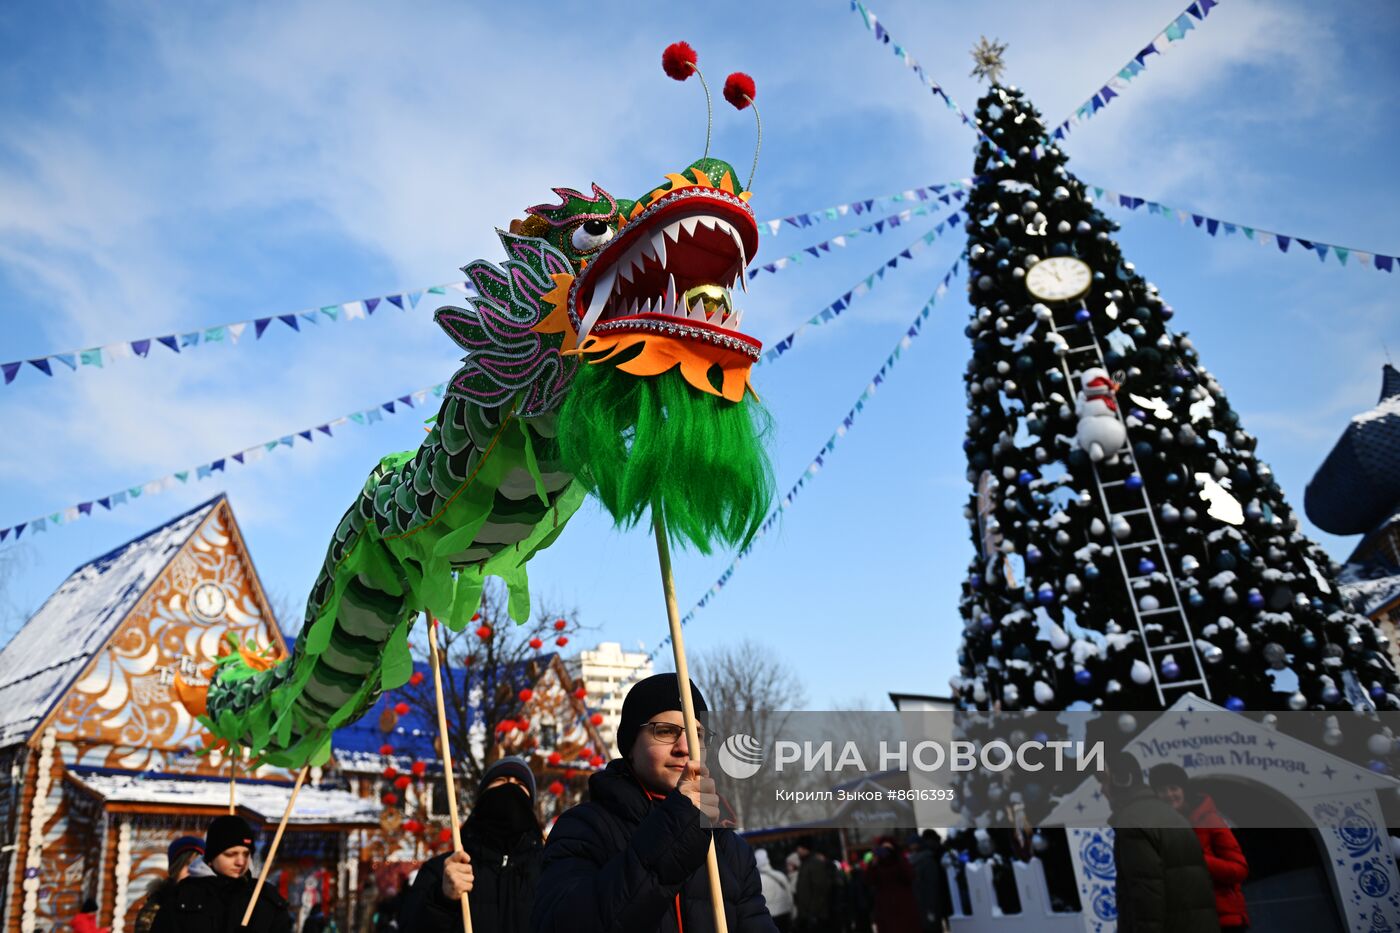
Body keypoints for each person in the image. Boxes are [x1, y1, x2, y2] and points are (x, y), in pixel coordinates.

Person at [531, 673, 778, 932]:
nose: (684, 747)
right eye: (666, 731)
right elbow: (563, 923)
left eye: (697, 735)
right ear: (630, 746)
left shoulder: (730, 848)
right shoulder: (584, 829)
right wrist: (676, 827)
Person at [400, 755, 545, 932]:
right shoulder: (443, 871)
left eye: (520, 784)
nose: (510, 786)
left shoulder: (551, 872)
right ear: (482, 798)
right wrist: (442, 899)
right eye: (500, 780)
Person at [1097, 751, 1218, 933]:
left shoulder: (1133, 821)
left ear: (1120, 781)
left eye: (1104, 781)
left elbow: (1146, 893)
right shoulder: (1169, 814)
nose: (1102, 790)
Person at [1150, 763, 1250, 932]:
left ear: (1184, 790)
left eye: (1173, 788)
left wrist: (1198, 860)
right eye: (1162, 790)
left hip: (1223, 921)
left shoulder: (1210, 821)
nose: (1168, 794)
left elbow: (1239, 869)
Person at [152, 813, 292, 932]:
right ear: (212, 857)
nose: (241, 862)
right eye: (231, 854)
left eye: (246, 854)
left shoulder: (265, 898)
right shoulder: (183, 898)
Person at [135, 836, 206, 932]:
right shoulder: (156, 906)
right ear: (175, 869)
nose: (192, 870)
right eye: (187, 864)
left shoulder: (213, 901)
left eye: (198, 865)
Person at [863, 838, 920, 933]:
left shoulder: (900, 860)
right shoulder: (877, 864)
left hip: (904, 905)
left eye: (888, 849)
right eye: (883, 849)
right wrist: (873, 862)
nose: (886, 852)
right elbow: (868, 881)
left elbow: (910, 875)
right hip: (885, 908)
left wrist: (897, 856)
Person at [792, 840, 834, 933]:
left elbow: (820, 889)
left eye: (799, 848)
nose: (797, 851)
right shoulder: (805, 863)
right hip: (808, 914)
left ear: (804, 848)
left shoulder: (814, 863)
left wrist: (813, 912)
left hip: (816, 915)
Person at [755, 849, 794, 932]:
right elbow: (789, 894)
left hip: (770, 917)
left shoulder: (757, 880)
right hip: (785, 912)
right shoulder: (780, 875)